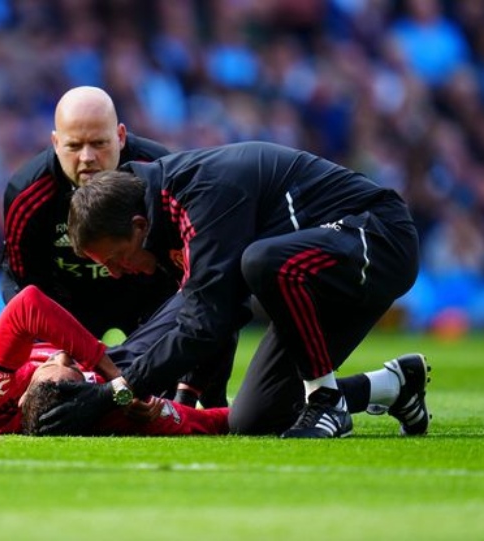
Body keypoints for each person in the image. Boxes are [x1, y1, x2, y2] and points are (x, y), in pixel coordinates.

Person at [37, 141, 430, 439]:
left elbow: (208, 319)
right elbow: (211, 308)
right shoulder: (163, 219)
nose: (118, 273)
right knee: (254, 418)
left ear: (139, 226)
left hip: (379, 238)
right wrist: (183, 401)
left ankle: (327, 403)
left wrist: (113, 394)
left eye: (116, 258)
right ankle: (395, 384)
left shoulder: (201, 193)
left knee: (263, 261)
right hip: (319, 279)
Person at [0, 86, 176, 341]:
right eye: (74, 145)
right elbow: (24, 285)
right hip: (65, 302)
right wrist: (53, 347)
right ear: (56, 143)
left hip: (148, 297)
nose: (87, 157)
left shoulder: (161, 170)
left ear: (121, 136)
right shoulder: (26, 194)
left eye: (98, 143)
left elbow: (182, 263)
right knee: (54, 378)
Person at [0, 285, 230, 436]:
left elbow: (27, 302)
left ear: (22, 398)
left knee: (203, 288)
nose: (63, 355)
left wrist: (112, 376)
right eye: (75, 370)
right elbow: (210, 422)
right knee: (210, 297)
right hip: (121, 378)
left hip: (111, 371)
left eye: (48, 366)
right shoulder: (114, 415)